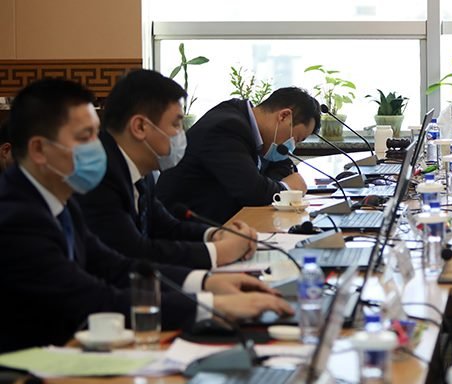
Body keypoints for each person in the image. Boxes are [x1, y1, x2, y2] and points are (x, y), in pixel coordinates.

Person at [0, 78, 293, 354]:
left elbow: (116, 267)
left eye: (96, 132)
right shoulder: (16, 216)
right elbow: (95, 299)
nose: (98, 145)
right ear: (39, 149)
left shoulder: (59, 199)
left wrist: (206, 283)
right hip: (28, 373)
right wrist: (210, 306)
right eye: (85, 137)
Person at [76, 69, 256, 269]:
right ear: (140, 127)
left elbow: (166, 227)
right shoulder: (99, 173)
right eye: (176, 124)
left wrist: (216, 234)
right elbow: (132, 252)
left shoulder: (141, 170)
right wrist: (218, 252)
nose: (182, 133)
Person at [157, 87, 319, 222]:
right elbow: (252, 192)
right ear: (283, 116)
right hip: (185, 230)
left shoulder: (256, 131)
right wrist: (287, 188)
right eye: (296, 139)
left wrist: (272, 184)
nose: (292, 147)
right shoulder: (226, 127)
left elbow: (284, 167)